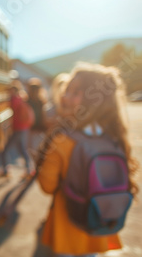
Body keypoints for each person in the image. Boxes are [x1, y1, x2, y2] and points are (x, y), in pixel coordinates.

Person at [37, 62, 139, 257]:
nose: (65, 96)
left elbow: (47, 186)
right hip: (100, 223)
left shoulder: (63, 140)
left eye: (75, 93)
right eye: (67, 91)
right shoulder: (115, 137)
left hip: (68, 225)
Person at [0, 79, 34, 177]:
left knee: (5, 150)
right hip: (24, 127)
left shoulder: (15, 99)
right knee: (22, 149)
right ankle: (29, 169)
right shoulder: (21, 98)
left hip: (18, 129)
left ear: (13, 91)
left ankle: (5, 170)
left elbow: (11, 109)